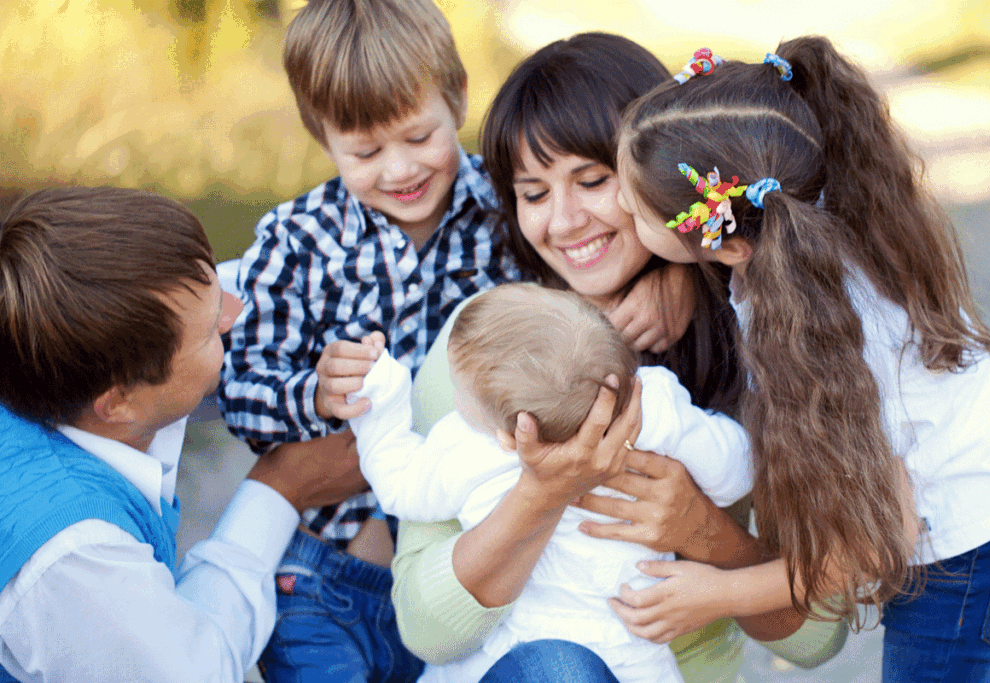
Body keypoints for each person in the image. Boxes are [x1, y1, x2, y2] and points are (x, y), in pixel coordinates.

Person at [218, 4, 684, 682]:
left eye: (418, 136)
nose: (400, 168)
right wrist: (312, 391)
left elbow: (582, 290)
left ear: (457, 97)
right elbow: (241, 387)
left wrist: (675, 282)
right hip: (329, 578)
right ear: (322, 137)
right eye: (366, 152)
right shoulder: (297, 241)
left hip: (479, 563)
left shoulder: (507, 208)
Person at [390, 32, 849, 683]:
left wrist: (702, 527)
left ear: (655, 171)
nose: (566, 220)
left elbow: (817, 637)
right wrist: (542, 492)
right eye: (534, 192)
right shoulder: (482, 345)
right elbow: (424, 628)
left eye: (592, 179)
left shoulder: (759, 338)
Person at [615, 36, 990, 682]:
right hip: (943, 515)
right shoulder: (794, 226)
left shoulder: (837, 334)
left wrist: (714, 593)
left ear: (723, 245)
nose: (617, 210)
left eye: (634, 209)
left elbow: (865, 546)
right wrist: (668, 277)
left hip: (967, 552)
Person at [0, 187, 363, 682]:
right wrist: (280, 491)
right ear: (118, 401)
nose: (237, 313)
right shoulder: (75, 556)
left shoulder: (45, 347)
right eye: (214, 328)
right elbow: (196, 670)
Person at [342, 283, 751, 682]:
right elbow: (735, 474)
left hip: (507, 649)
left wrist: (383, 395)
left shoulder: (470, 451)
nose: (455, 401)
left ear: (509, 435)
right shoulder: (653, 407)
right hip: (635, 651)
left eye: (460, 394)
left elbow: (397, 484)